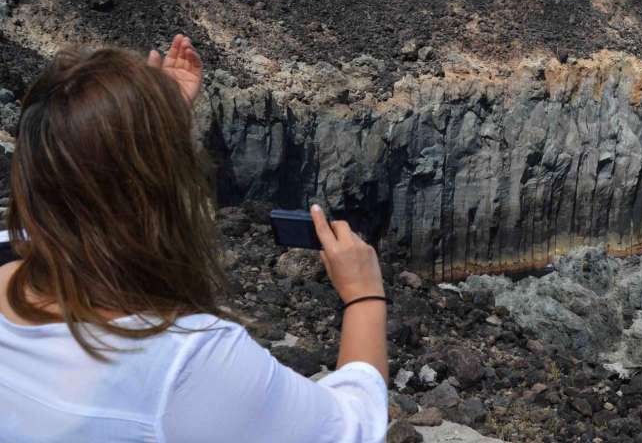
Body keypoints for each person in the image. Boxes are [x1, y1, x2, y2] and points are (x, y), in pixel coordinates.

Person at [0, 36, 390, 442]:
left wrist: (146, 126)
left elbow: (81, 197)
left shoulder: (10, 248)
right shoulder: (186, 360)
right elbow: (355, 428)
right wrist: (364, 296)